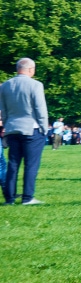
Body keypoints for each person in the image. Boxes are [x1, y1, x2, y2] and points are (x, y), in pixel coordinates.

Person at [0, 58, 49, 205]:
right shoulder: (35, 85)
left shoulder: (5, 85)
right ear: (30, 70)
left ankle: (10, 198)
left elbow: (4, 110)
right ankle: (27, 197)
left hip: (12, 128)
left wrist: (6, 128)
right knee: (31, 164)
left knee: (13, 164)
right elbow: (40, 109)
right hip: (31, 128)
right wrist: (44, 128)